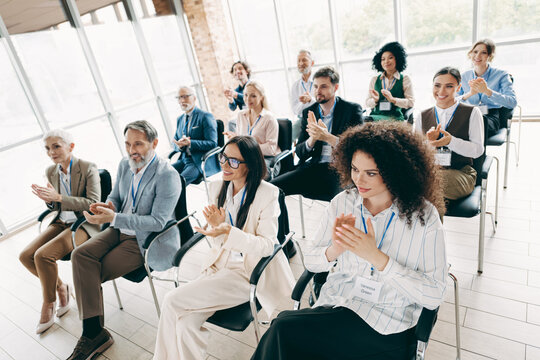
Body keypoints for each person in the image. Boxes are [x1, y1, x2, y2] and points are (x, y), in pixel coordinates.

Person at [252, 121, 448, 360]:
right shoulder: (342, 203)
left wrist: (377, 258)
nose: (359, 180)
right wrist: (335, 249)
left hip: (387, 323)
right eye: (355, 169)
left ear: (397, 171)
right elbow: (312, 264)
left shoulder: (424, 217)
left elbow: (434, 294)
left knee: (283, 330)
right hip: (337, 306)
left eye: (371, 173)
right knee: (284, 330)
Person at [153, 136, 295, 360]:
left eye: (234, 161)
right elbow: (219, 241)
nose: (225, 165)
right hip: (218, 267)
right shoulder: (216, 187)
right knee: (186, 324)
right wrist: (217, 232)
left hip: (246, 273)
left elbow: (268, 246)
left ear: (250, 164)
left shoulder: (268, 193)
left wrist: (227, 231)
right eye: (223, 158)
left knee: (172, 300)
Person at [66, 120, 181, 360]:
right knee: (80, 255)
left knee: (90, 273)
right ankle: (95, 333)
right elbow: (116, 196)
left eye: (138, 144)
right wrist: (107, 207)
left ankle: (92, 335)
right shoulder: (124, 164)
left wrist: (115, 216)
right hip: (119, 230)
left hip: (145, 240)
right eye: (128, 144)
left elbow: (158, 222)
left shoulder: (167, 175)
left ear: (154, 143)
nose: (132, 150)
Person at [19, 129, 100, 334]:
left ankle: (49, 303)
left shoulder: (88, 168)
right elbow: (56, 207)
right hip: (60, 222)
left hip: (83, 224)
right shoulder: (51, 171)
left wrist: (59, 198)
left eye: (56, 146)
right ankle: (61, 287)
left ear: (70, 147)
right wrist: (49, 201)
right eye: (47, 148)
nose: (51, 152)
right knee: (26, 256)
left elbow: (93, 203)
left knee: (43, 256)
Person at [271, 66, 364, 201]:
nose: (318, 91)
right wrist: (312, 139)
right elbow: (299, 152)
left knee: (335, 200)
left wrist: (327, 137)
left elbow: (356, 147)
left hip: (340, 169)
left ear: (335, 87)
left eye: (323, 87)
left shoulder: (351, 110)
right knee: (271, 189)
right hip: (314, 166)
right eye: (315, 87)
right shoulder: (309, 111)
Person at [416, 67, 484, 200]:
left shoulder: (473, 112)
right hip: (430, 171)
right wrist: (428, 143)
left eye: (449, 86)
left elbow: (477, 151)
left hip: (461, 173)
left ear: (458, 88)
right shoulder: (422, 115)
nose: (441, 91)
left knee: (428, 182)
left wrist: (450, 141)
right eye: (437, 86)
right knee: (427, 183)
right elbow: (415, 152)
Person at [458, 39, 517, 137]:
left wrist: (487, 91)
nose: (477, 56)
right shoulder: (463, 76)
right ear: (470, 54)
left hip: (490, 117)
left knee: (476, 125)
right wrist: (469, 94)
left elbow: (512, 102)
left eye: (483, 53)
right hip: (469, 114)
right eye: (475, 52)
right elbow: (452, 101)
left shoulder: (502, 75)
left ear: (490, 56)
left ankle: (477, 152)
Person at [171, 86, 219, 184]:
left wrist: (190, 143)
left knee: (178, 183)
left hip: (199, 161)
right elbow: (175, 142)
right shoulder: (180, 119)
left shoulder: (205, 116)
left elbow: (212, 143)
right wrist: (179, 146)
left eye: (185, 96)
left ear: (194, 97)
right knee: (164, 175)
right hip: (184, 160)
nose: (182, 100)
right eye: (179, 97)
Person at [224, 80, 280, 159]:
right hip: (248, 157)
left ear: (261, 98)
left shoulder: (269, 118)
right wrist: (235, 138)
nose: (248, 99)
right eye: (246, 95)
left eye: (253, 96)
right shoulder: (241, 115)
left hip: (266, 159)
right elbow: (242, 140)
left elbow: (271, 149)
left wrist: (248, 146)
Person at [365, 41, 414, 121]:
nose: (386, 62)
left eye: (390, 58)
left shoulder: (404, 79)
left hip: (394, 118)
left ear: (397, 59)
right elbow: (367, 103)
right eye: (383, 59)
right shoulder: (374, 79)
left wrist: (393, 100)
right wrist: (375, 100)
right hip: (375, 116)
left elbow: (410, 102)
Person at [290, 50, 316, 139]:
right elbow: (295, 110)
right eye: (299, 61)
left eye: (304, 60)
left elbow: (322, 104)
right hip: (302, 120)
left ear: (312, 63)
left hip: (319, 118)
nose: (301, 63)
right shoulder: (295, 86)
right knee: (289, 136)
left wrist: (310, 100)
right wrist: (305, 103)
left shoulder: (318, 81)